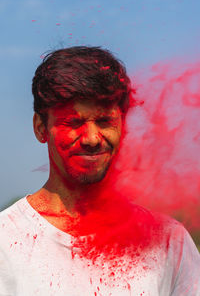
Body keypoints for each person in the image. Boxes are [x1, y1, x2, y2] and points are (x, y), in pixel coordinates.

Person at [0, 46, 199, 296]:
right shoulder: (5, 242)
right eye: (73, 122)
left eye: (105, 121)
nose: (92, 138)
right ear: (41, 128)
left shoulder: (169, 242)